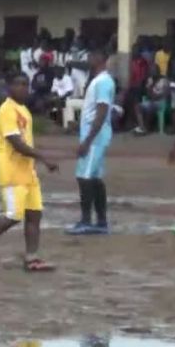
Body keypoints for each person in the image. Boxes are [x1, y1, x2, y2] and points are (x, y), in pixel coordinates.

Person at [0, 73, 59, 272]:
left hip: (28, 173)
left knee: (34, 214)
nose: (24, 89)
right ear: (9, 87)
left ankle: (31, 258)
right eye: (19, 84)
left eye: (26, 85)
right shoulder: (7, 110)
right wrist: (43, 158)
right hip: (11, 172)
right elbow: (17, 144)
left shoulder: (24, 110)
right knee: (13, 216)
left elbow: (25, 141)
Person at [67, 50, 116, 235]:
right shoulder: (99, 80)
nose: (88, 59)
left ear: (100, 58)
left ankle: (87, 221)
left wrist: (87, 140)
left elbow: (102, 111)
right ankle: (101, 222)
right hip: (95, 135)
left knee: (84, 177)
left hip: (95, 137)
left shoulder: (103, 81)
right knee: (94, 178)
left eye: (91, 56)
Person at [136, 65, 169, 135]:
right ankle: (142, 127)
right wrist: (150, 86)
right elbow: (148, 95)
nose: (152, 73)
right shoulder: (150, 80)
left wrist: (156, 96)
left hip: (161, 102)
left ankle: (146, 128)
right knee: (138, 107)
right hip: (152, 102)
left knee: (150, 107)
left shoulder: (164, 80)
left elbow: (166, 94)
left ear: (158, 71)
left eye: (154, 71)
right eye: (151, 71)